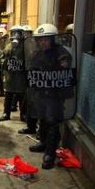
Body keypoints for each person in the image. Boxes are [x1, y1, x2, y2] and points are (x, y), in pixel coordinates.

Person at [26, 23, 74, 169]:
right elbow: (31, 71)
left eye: (45, 39)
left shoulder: (62, 54)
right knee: (43, 119)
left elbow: (63, 72)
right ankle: (43, 143)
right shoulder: (37, 53)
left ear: (53, 39)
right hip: (41, 94)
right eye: (40, 40)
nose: (42, 42)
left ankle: (50, 154)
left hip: (55, 96)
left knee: (53, 123)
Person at [0, 25, 27, 121]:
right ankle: (6, 113)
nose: (16, 36)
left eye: (18, 33)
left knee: (22, 96)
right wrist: (5, 61)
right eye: (14, 33)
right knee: (8, 95)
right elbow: (2, 58)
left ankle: (23, 114)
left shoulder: (26, 46)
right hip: (10, 75)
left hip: (21, 75)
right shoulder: (9, 45)